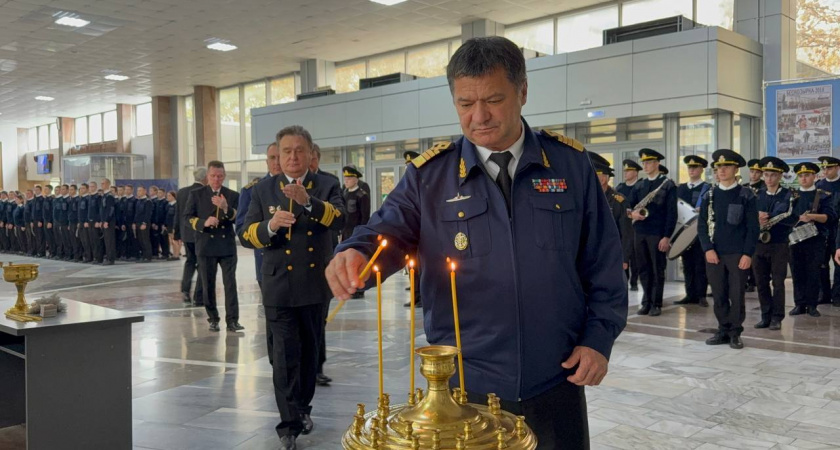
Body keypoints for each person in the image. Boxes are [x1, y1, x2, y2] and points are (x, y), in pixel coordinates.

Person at [326, 36, 626, 449]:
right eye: (465, 104)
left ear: (522, 92)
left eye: (493, 99)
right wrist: (355, 252)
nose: (479, 116)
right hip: (465, 388)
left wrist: (598, 340)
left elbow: (604, 263)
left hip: (556, 377)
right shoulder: (430, 176)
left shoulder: (571, 166)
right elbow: (388, 232)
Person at [239, 125, 345, 450]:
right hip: (278, 285)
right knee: (284, 356)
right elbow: (245, 234)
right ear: (278, 155)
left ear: (311, 154)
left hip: (314, 284)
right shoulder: (263, 190)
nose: (293, 157)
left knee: (310, 355)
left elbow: (340, 220)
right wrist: (269, 226)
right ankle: (288, 425)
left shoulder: (326, 184)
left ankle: (302, 409)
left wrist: (309, 202)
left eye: (299, 150)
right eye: (287, 151)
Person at [697, 150, 758, 350]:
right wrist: (707, 249)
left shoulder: (746, 195)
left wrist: (748, 254)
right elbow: (702, 226)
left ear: (735, 169)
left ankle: (735, 332)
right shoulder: (709, 195)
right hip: (715, 254)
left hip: (737, 254)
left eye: (726, 167)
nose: (721, 170)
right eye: (718, 168)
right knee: (719, 293)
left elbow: (753, 228)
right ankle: (722, 329)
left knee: (737, 294)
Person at [185, 161, 242, 332]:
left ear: (224, 176)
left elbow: (239, 218)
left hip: (227, 246)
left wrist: (226, 208)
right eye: (213, 176)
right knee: (208, 283)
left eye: (220, 176)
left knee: (230, 284)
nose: (216, 179)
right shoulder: (197, 194)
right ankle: (213, 318)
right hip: (206, 245)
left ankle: (232, 320)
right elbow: (187, 218)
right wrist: (204, 222)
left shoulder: (232, 195)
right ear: (207, 177)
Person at [629, 148, 677, 317]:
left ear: (657, 163)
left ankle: (656, 303)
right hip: (640, 231)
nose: (645, 165)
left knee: (657, 269)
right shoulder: (640, 185)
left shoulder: (667, 184)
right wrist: (632, 214)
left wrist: (666, 236)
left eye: (649, 162)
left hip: (657, 232)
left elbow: (672, 213)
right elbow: (629, 206)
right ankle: (646, 302)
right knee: (643, 268)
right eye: (644, 162)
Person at [753, 157, 795, 331]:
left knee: (778, 282)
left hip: (779, 243)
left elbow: (792, 218)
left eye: (773, 175)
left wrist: (769, 217)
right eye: (766, 175)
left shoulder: (788, 195)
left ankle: (777, 317)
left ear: (780, 176)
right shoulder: (756, 194)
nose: (769, 178)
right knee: (761, 282)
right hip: (758, 244)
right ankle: (765, 315)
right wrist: (757, 218)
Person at [789, 162, 835, 318]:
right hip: (795, 240)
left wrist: (812, 217)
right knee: (797, 271)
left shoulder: (822, 196)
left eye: (807, 175)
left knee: (813, 272)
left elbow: (829, 217)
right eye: (800, 176)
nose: (803, 178)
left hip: (815, 240)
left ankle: (812, 304)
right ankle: (799, 304)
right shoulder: (792, 196)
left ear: (814, 176)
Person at [675, 155, 709, 307]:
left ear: (702, 169)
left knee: (700, 264)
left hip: (700, 231)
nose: (692, 170)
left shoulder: (707, 188)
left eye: (695, 167)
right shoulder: (681, 188)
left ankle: (701, 295)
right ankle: (690, 294)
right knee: (687, 264)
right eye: (690, 167)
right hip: (684, 230)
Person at [176, 168, 206, 306]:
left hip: (186, 234)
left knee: (189, 261)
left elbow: (178, 214)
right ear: (205, 178)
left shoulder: (182, 192)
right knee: (202, 264)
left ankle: (185, 290)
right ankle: (199, 295)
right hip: (200, 233)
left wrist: (177, 233)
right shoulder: (203, 192)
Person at [340, 165, 370, 300]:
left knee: (356, 261)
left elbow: (365, 216)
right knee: (346, 261)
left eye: (349, 178)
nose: (346, 180)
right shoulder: (344, 193)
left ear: (356, 179)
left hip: (356, 232)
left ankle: (359, 288)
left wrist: (361, 233)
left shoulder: (361, 195)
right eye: (345, 178)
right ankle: (350, 287)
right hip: (346, 232)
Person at [815, 156, 840, 306]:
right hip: (823, 230)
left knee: (838, 264)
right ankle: (823, 294)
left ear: (837, 167)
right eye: (824, 168)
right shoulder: (819, 185)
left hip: (838, 229)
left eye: (829, 168)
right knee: (821, 263)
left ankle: (837, 296)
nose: (826, 171)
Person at [616, 159, 641, 291]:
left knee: (635, 256)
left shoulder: (640, 186)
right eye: (625, 171)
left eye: (629, 170)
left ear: (635, 172)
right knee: (624, 253)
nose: (626, 173)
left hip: (637, 226)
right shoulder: (620, 187)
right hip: (623, 225)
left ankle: (634, 281)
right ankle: (624, 280)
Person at [742, 159, 764, 292]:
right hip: (744, 224)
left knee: (755, 254)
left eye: (757, 172)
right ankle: (744, 279)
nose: (754, 175)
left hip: (759, 223)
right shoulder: (744, 187)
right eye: (752, 171)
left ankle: (753, 281)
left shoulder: (764, 187)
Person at [134, 186, 154, 263]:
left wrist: (144, 223)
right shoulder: (138, 201)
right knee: (140, 240)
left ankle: (148, 257)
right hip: (138, 223)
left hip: (144, 223)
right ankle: (143, 255)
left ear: (145, 191)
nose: (138, 192)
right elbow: (137, 213)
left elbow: (148, 214)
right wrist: (134, 222)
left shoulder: (148, 201)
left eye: (140, 190)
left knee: (145, 240)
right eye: (138, 190)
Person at [100, 179, 117, 265]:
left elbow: (111, 209)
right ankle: (108, 257)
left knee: (110, 240)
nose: (102, 185)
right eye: (101, 183)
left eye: (103, 183)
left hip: (109, 222)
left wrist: (106, 220)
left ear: (108, 184)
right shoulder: (104, 195)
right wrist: (102, 221)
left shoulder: (109, 196)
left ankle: (111, 259)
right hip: (104, 221)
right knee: (106, 240)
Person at [156, 187, 171, 259]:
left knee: (164, 239)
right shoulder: (157, 201)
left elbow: (166, 214)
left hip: (163, 224)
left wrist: (165, 224)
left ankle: (166, 253)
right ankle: (161, 252)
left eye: (160, 193)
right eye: (158, 193)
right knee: (159, 238)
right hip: (157, 223)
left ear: (164, 194)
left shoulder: (165, 202)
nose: (159, 194)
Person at [166, 191, 180, 261]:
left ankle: (176, 255)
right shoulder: (168, 205)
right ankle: (174, 254)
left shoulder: (176, 205)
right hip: (169, 225)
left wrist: (175, 226)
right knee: (171, 240)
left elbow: (176, 216)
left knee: (175, 240)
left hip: (174, 225)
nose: (167, 197)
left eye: (169, 196)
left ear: (173, 196)